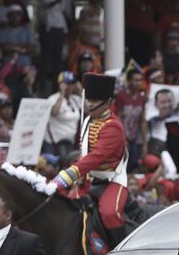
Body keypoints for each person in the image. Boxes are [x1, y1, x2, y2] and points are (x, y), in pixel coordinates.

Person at [54, 74, 131, 245]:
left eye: (94, 100)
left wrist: (69, 174)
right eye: (88, 99)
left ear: (108, 102)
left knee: (110, 214)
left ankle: (120, 250)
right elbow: (84, 153)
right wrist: (79, 176)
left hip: (112, 181)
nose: (89, 104)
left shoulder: (113, 126)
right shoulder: (88, 120)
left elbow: (97, 157)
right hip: (88, 179)